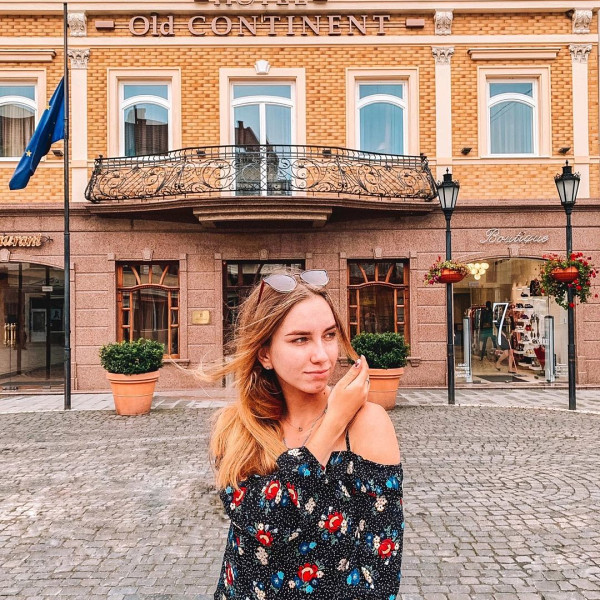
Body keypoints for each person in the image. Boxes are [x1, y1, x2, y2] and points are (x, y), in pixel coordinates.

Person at [208, 269, 404, 599]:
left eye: (329, 335)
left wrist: (338, 420)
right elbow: (269, 524)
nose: (322, 355)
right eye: (300, 339)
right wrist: (331, 425)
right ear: (265, 353)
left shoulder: (366, 424)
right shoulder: (238, 429)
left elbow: (381, 572)